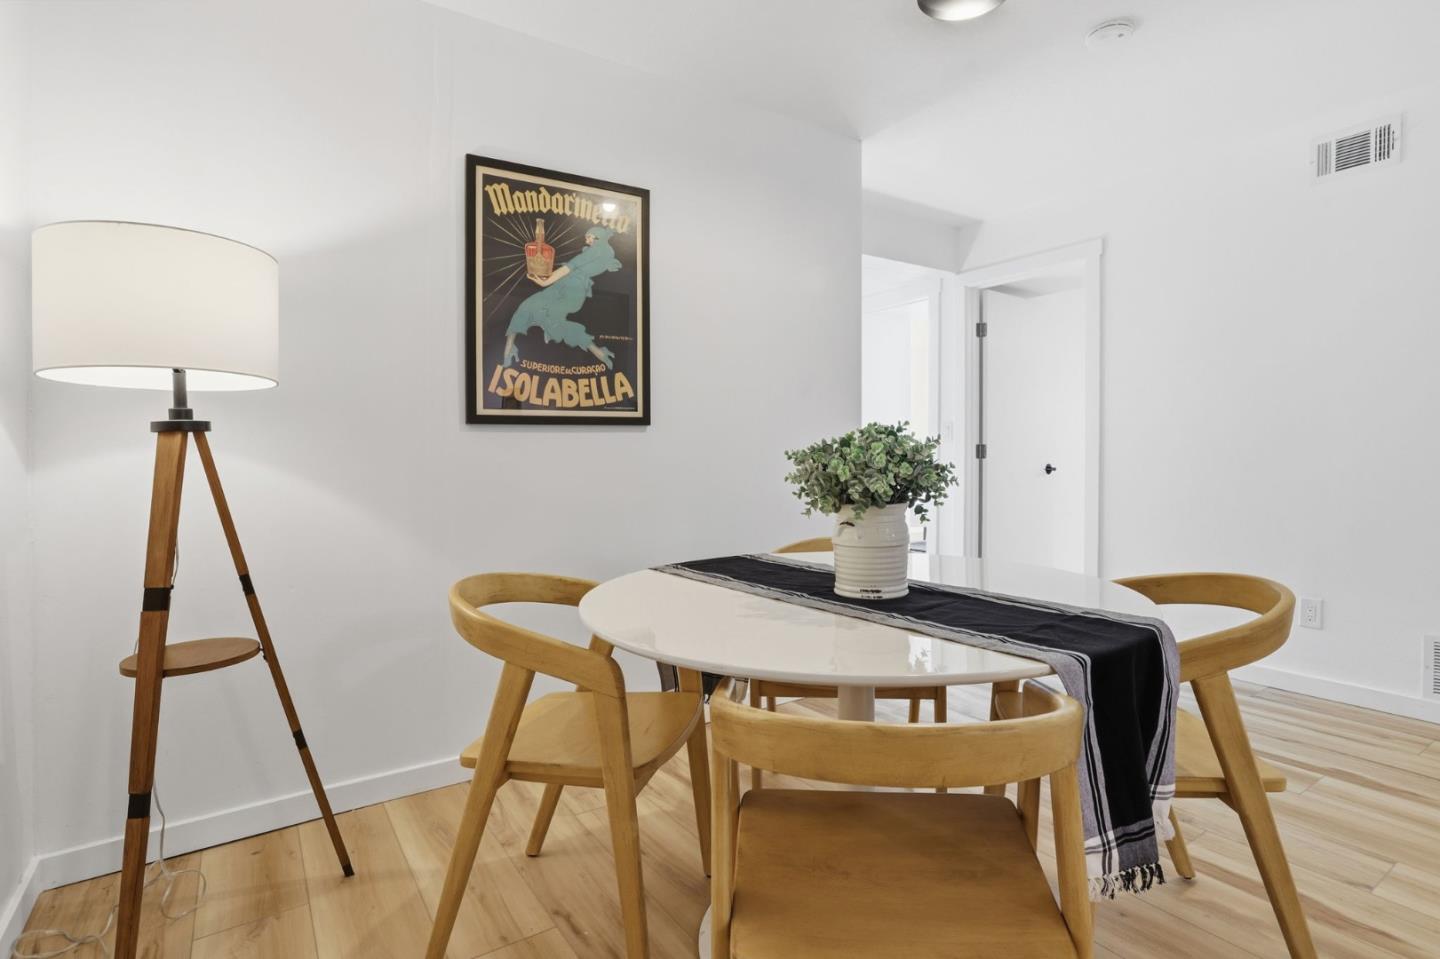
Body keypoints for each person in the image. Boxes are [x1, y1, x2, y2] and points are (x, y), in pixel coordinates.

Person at [503, 225, 621, 369]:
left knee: (552, 320)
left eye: (589, 237)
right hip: (564, 287)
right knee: (528, 305)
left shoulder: (596, 251)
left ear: (598, 237)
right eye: (586, 237)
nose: (587, 240)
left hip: (572, 291)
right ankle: (509, 349)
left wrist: (545, 282)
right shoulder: (606, 251)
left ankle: (597, 351)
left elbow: (569, 267)